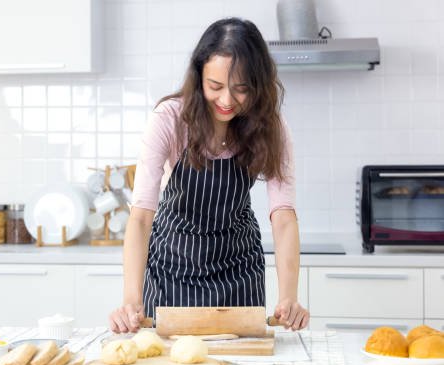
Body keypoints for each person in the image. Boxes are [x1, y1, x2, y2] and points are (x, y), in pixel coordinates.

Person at [109, 17, 309, 333]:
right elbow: (141, 217)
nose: (227, 101)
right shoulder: (170, 120)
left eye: (241, 89)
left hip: (238, 273)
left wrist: (289, 297)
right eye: (215, 86)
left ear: (258, 86)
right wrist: (131, 298)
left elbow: (283, 216)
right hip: (172, 271)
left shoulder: (271, 127)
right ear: (199, 76)